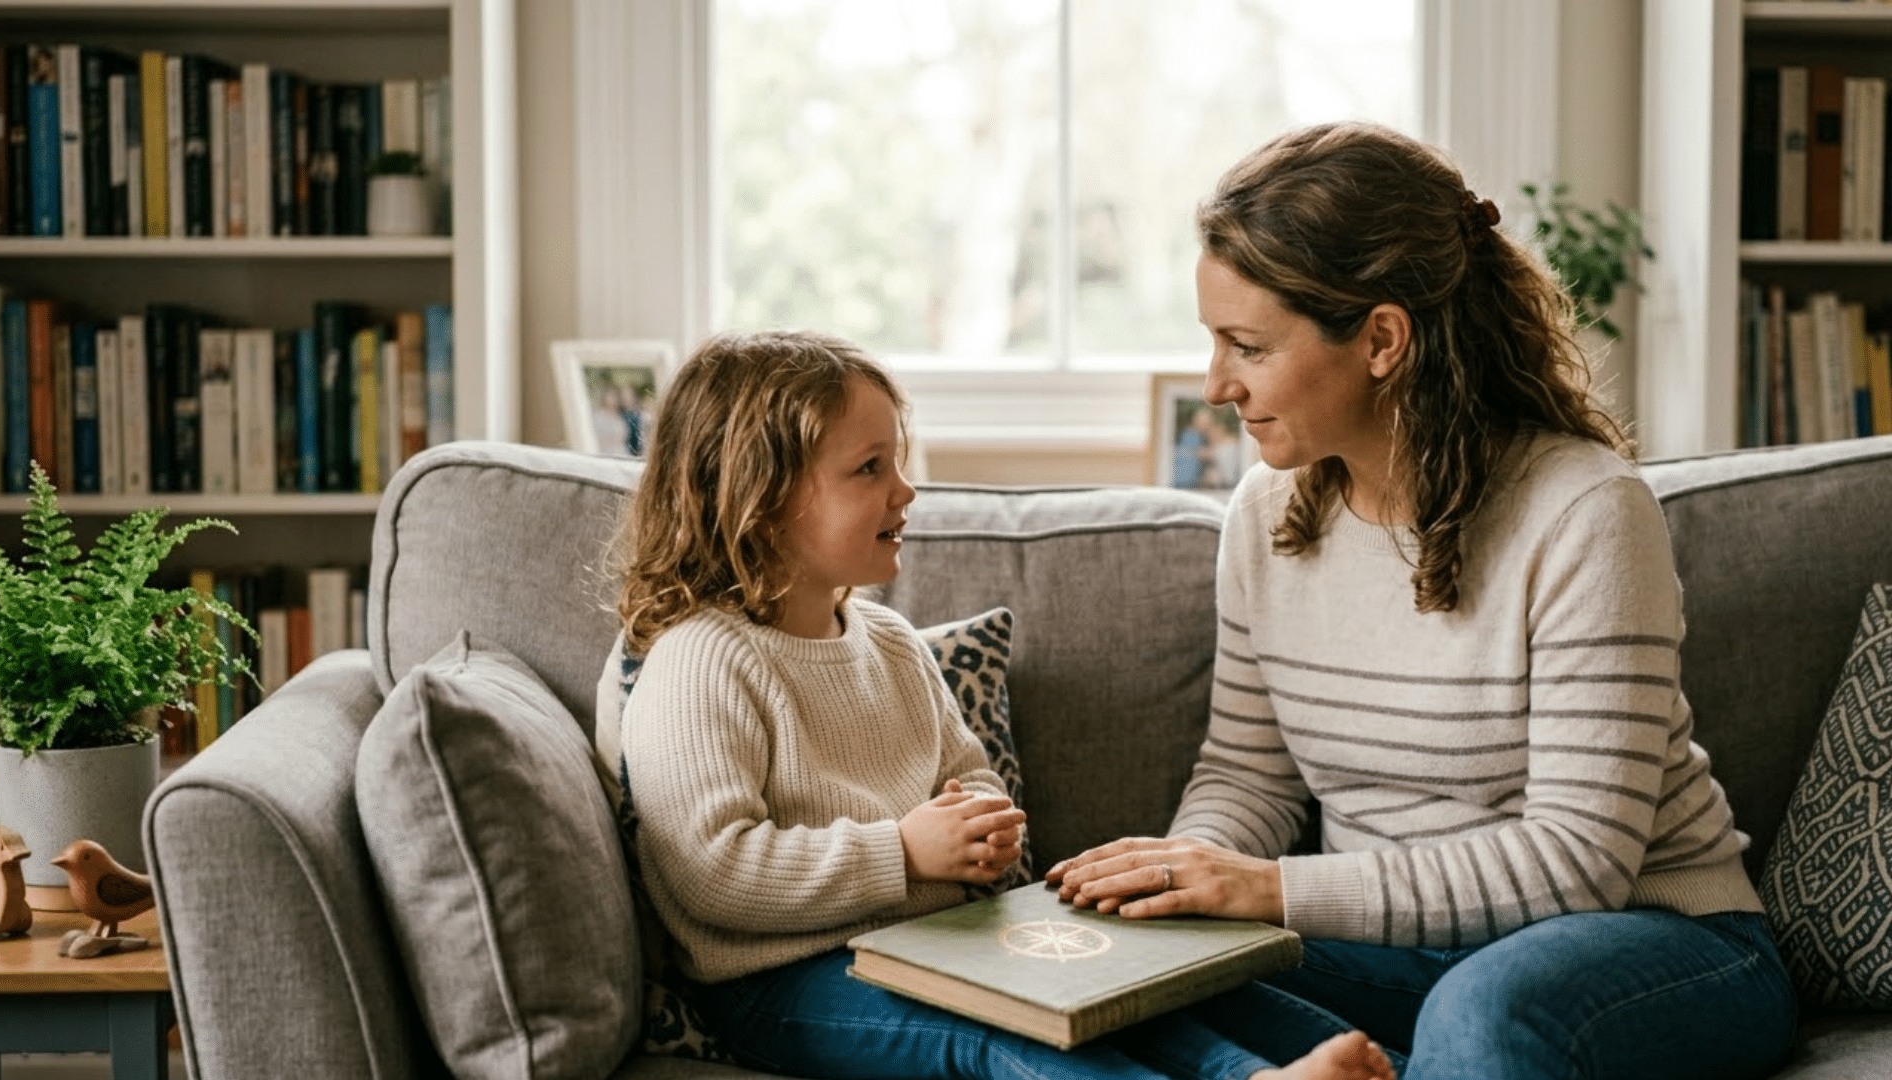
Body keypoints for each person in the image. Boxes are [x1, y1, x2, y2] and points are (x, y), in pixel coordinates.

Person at [1046, 121, 1799, 1080]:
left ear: (1382, 339)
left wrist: (1264, 887)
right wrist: (1180, 884)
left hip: (1648, 940)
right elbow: (1249, 777)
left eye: (1249, 345)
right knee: (1128, 978)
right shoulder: (1265, 513)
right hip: (1399, 954)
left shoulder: (1586, 511)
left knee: (1487, 1011)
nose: (1217, 385)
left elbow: (1577, 860)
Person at [598, 328, 1395, 1080]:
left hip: (946, 941)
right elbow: (710, 871)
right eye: (870, 468)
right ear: (762, 500)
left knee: (1132, 982)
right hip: (782, 981)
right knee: (1000, 1033)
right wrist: (902, 853)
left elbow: (968, 773)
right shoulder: (703, 657)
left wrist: (982, 823)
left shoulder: (888, 641)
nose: (906, 491)